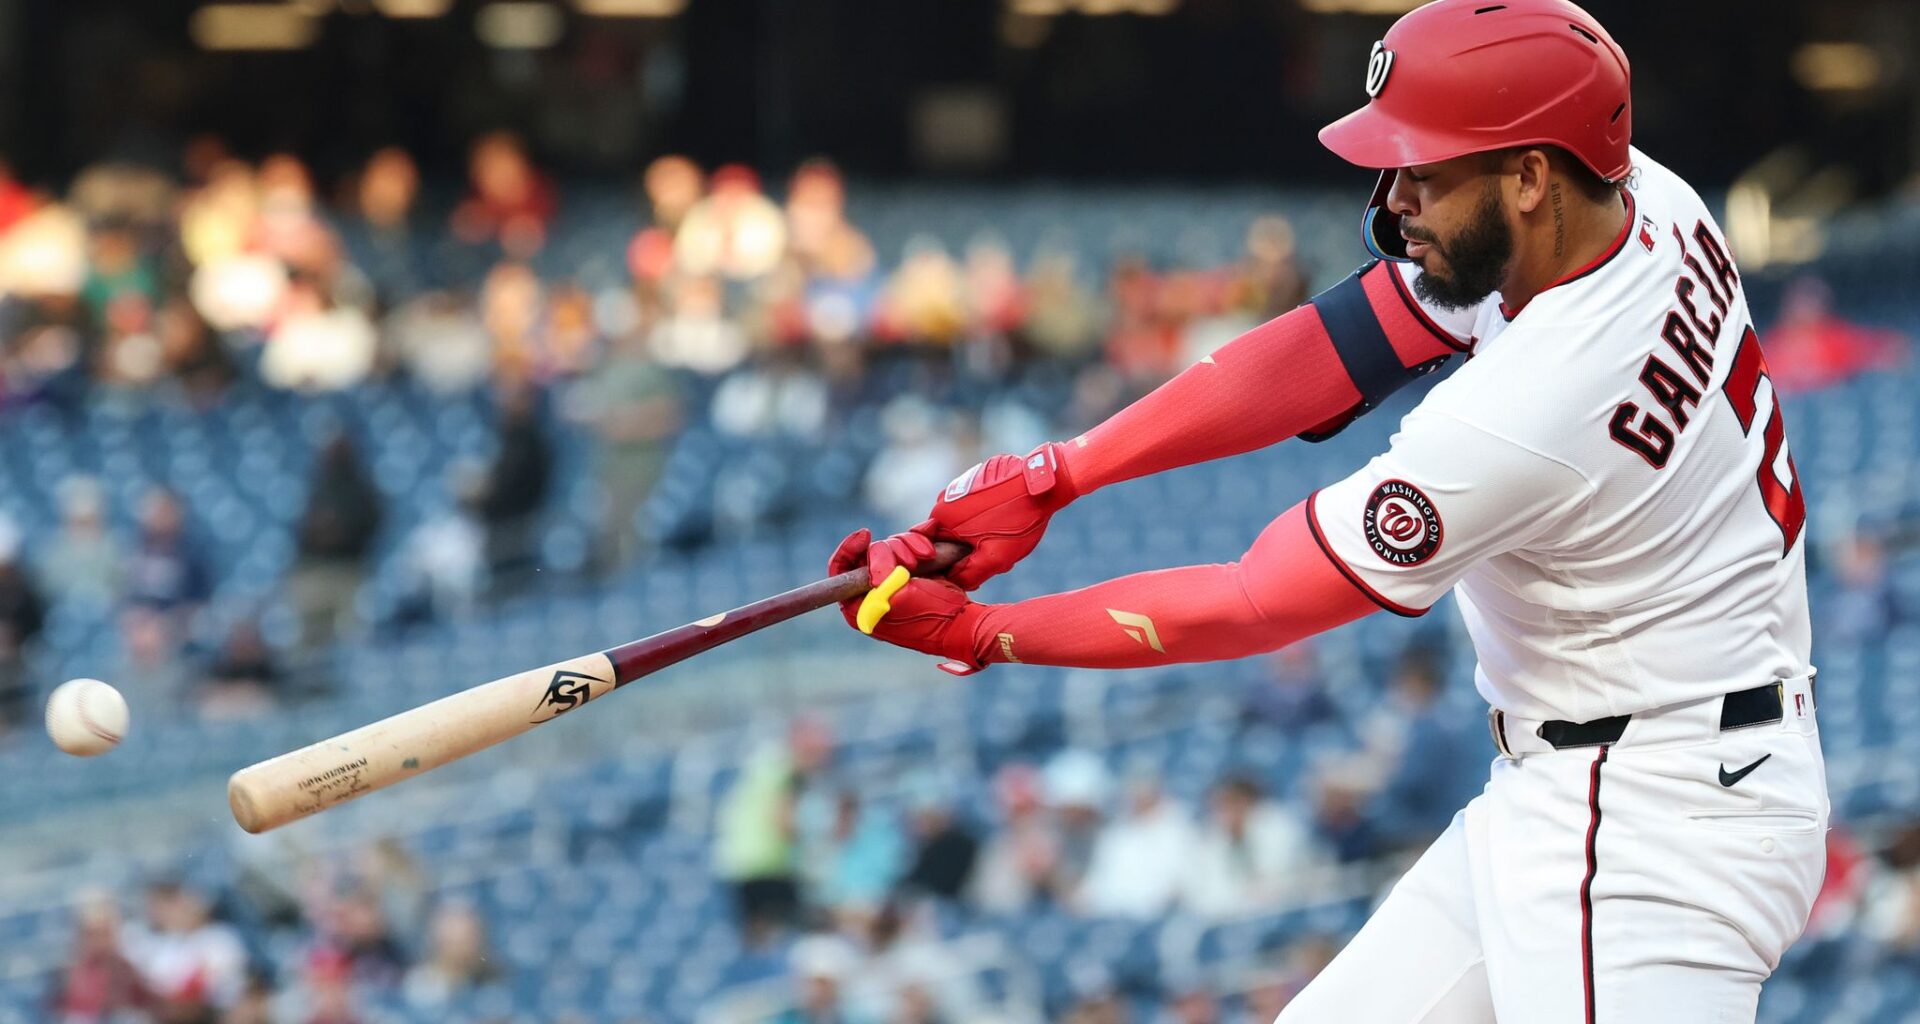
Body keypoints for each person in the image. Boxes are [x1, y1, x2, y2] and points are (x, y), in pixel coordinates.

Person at [832, 2, 1825, 1019]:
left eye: (1424, 172)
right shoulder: (1633, 198)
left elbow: (1255, 600)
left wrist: (989, 633)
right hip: (1598, 776)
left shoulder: (1534, 409)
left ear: (1529, 176)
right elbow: (1330, 348)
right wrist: (1058, 472)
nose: (1396, 201)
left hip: (1656, 829)